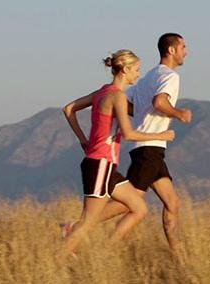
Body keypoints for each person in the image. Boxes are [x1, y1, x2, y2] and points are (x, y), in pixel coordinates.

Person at [92, 33, 192, 267]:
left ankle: (179, 259)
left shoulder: (148, 76)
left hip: (151, 149)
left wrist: (139, 119)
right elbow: (160, 102)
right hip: (148, 149)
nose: (186, 51)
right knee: (132, 202)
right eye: (183, 47)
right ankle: (81, 230)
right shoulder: (170, 77)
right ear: (171, 50)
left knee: (172, 204)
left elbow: (127, 105)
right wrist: (179, 114)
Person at [61, 49, 175, 256]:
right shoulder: (117, 96)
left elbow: (69, 109)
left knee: (139, 209)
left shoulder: (102, 92)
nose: (138, 74)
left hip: (105, 166)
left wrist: (83, 140)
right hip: (100, 164)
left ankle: (103, 254)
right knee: (87, 222)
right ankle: (55, 262)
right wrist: (162, 135)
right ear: (125, 69)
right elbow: (129, 134)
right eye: (137, 70)